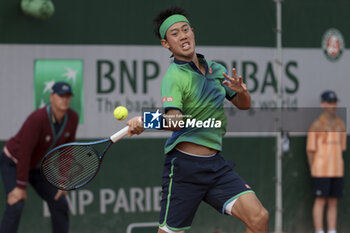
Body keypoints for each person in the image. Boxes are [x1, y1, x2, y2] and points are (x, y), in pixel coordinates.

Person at [126, 6, 269, 233]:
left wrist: (241, 92)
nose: (183, 35)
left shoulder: (217, 70)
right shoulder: (174, 77)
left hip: (215, 166)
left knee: (259, 217)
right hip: (184, 169)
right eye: (175, 33)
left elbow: (244, 105)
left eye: (185, 29)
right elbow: (175, 120)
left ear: (193, 31)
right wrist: (146, 120)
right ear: (166, 44)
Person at [0, 81, 79, 233]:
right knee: (16, 203)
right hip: (14, 162)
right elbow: (25, 151)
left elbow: (66, 150)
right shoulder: (37, 118)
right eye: (61, 95)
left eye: (68, 96)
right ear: (52, 97)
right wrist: (20, 186)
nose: (65, 99)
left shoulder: (73, 118)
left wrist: (62, 181)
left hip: (37, 167)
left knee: (60, 203)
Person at [307, 90, 346, 233]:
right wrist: (313, 168)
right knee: (321, 200)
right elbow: (310, 150)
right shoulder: (316, 125)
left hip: (337, 169)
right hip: (321, 169)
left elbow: (342, 148)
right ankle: (319, 230)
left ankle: (332, 230)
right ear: (323, 104)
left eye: (334, 102)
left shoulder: (341, 124)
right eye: (329, 102)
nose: (333, 105)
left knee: (333, 201)